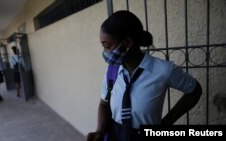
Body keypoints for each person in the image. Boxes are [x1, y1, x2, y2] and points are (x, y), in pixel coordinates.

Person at [86, 10, 202, 141]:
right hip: (115, 135)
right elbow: (104, 104)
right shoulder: (112, 70)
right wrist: (99, 131)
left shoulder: (163, 70)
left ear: (127, 43)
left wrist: (166, 124)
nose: (105, 52)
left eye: (107, 46)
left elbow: (195, 91)